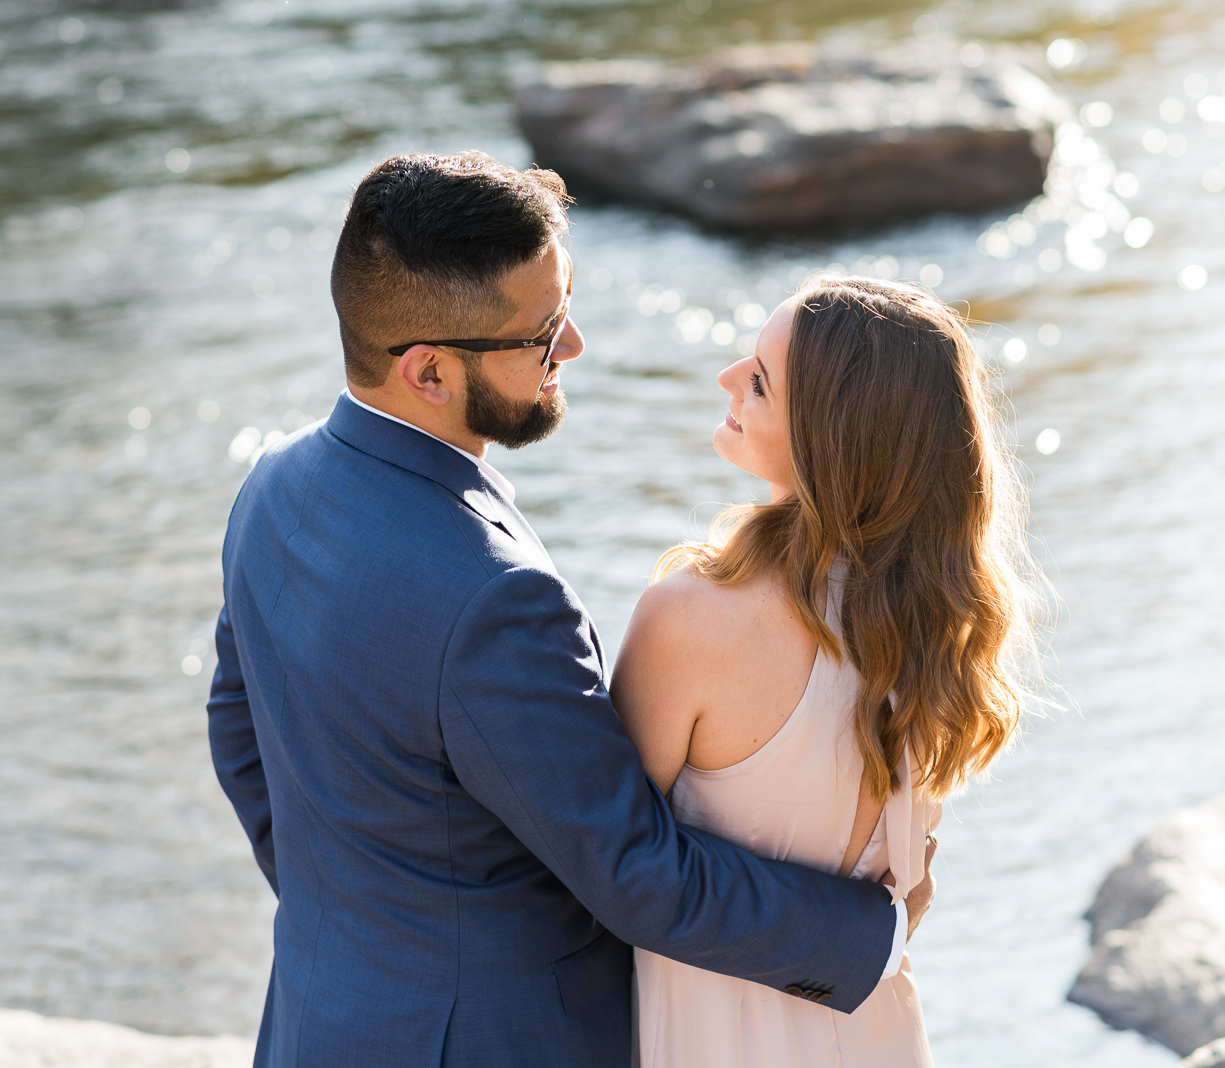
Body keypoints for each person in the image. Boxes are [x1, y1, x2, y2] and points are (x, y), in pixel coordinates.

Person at [205, 152, 914, 1068]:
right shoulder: (497, 599)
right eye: (540, 335)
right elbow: (633, 874)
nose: (572, 345)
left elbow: (237, 731)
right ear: (427, 373)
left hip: (322, 1015)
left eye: (566, 302)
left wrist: (357, 916)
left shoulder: (272, 487)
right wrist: (873, 933)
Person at [613, 276, 1031, 1067]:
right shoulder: (938, 628)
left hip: (710, 1041)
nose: (727, 379)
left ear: (827, 439)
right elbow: (907, 892)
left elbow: (604, 869)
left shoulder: (693, 617)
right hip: (875, 1032)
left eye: (762, 382)